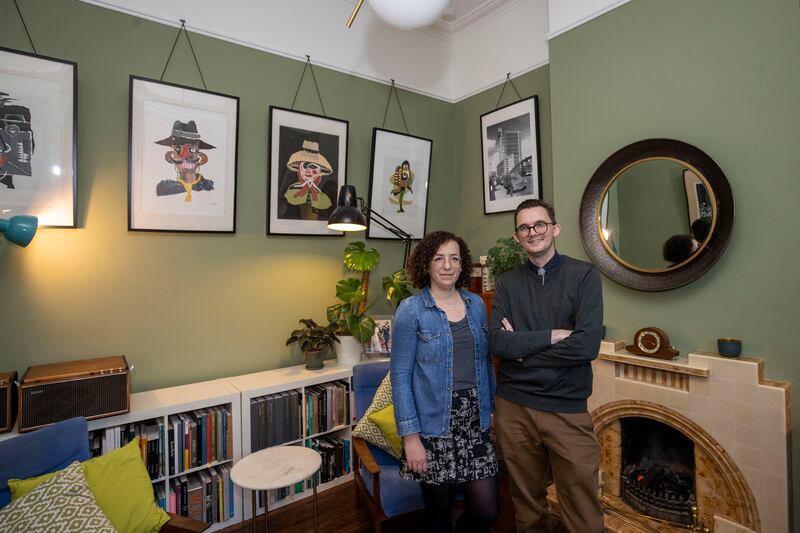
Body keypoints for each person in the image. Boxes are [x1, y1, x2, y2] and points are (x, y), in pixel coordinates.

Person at [490, 199, 604, 532]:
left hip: (567, 409)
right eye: (524, 227)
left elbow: (585, 346)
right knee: (528, 508)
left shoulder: (583, 276)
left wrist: (522, 351)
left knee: (582, 509)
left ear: (555, 229)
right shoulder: (508, 283)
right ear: (517, 237)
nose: (533, 232)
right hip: (514, 408)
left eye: (540, 224)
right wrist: (554, 335)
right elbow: (497, 342)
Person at [391, 231, 498, 533]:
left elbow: (485, 361)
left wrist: (490, 409)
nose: (447, 265)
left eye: (454, 258)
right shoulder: (411, 311)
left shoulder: (476, 304)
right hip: (432, 424)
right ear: (426, 264)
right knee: (438, 512)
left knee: (486, 511)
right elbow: (400, 378)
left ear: (462, 265)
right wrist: (411, 438)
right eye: (439, 258)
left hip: (476, 420)